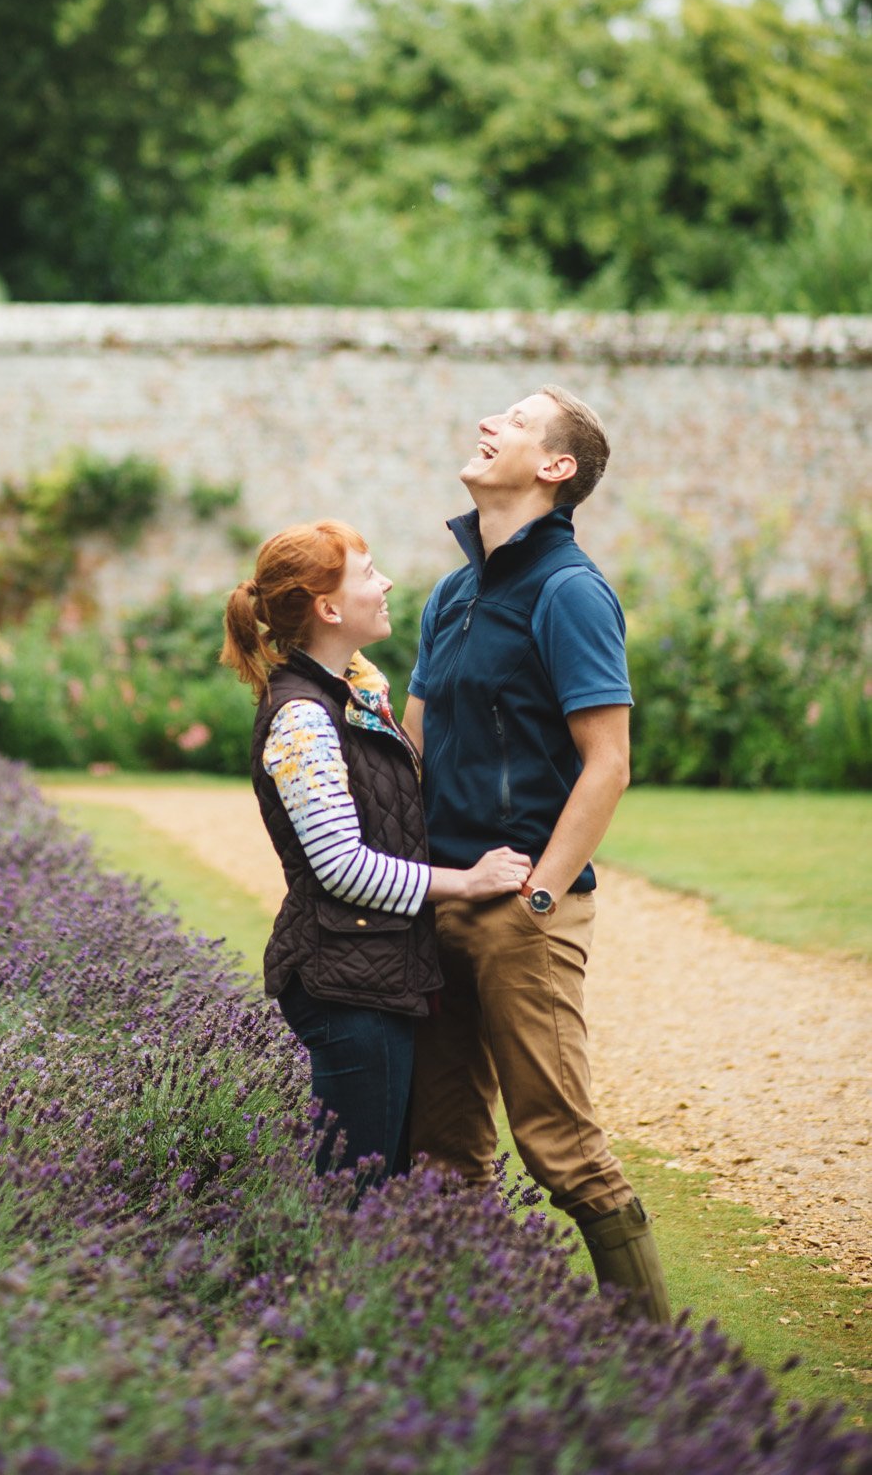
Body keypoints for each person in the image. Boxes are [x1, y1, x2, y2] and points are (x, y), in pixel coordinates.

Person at [401, 385, 669, 1321]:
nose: (487, 424)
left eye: (513, 422)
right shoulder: (453, 590)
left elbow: (608, 764)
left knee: (558, 1145)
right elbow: (414, 748)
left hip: (523, 914)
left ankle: (652, 1356)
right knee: (440, 1149)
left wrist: (540, 898)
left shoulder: (569, 590)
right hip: (437, 902)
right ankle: (463, 1343)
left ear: (557, 469)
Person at [221, 519, 531, 1193]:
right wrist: (467, 881)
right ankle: (329, 1297)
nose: (385, 583)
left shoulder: (342, 693)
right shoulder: (302, 715)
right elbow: (340, 866)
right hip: (343, 983)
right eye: (367, 574)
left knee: (373, 1183)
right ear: (328, 608)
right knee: (352, 1196)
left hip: (370, 973)